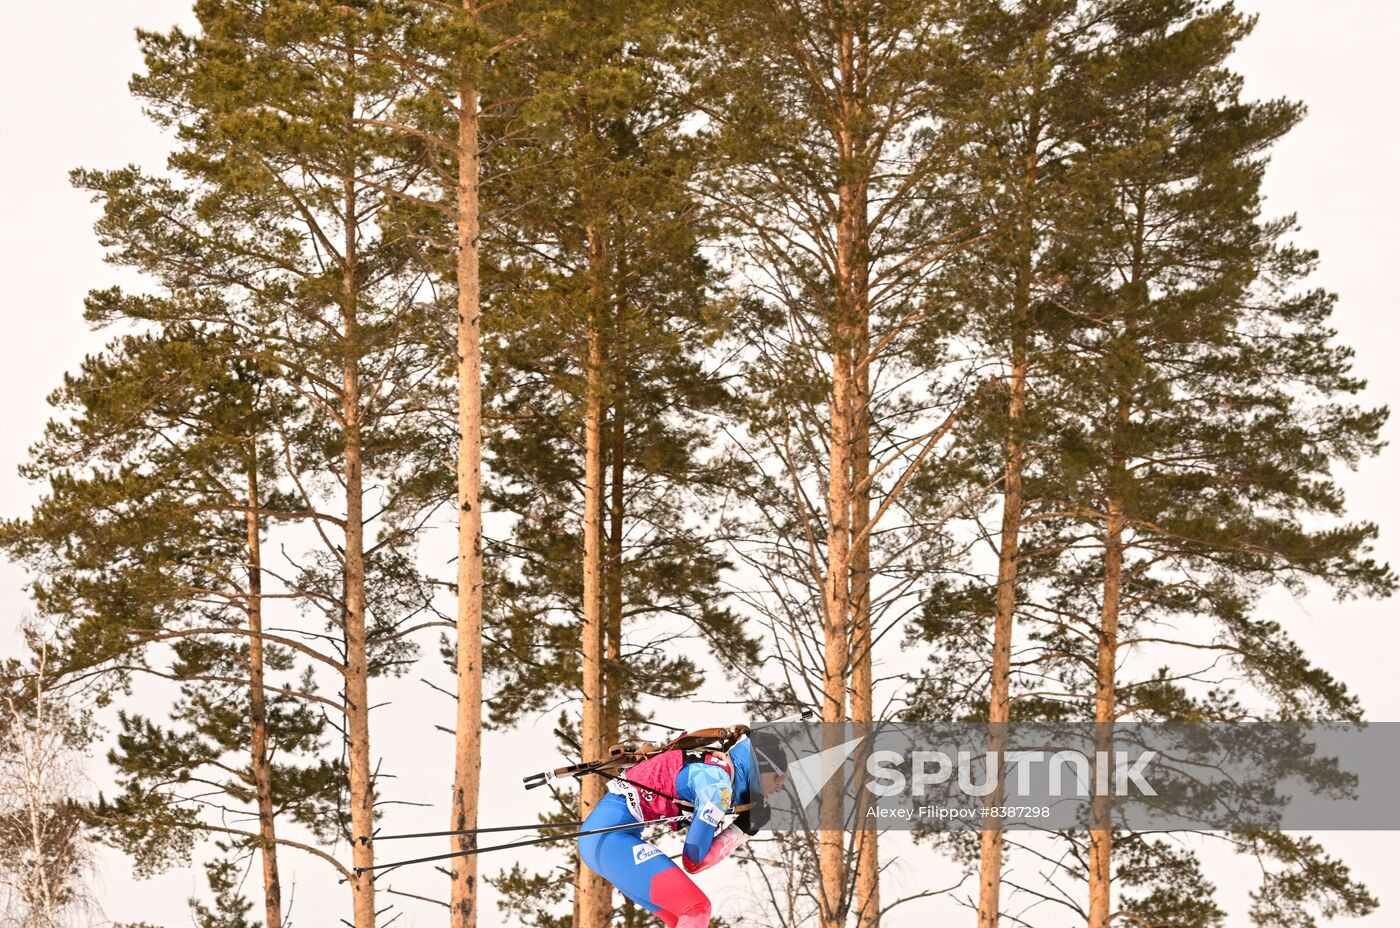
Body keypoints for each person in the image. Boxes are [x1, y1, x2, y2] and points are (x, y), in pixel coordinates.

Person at [577, 731, 788, 927]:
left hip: (605, 841)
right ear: (758, 766)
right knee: (697, 909)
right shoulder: (717, 786)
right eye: (778, 777)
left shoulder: (718, 772)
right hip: (610, 840)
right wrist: (741, 830)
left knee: (681, 918)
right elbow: (693, 861)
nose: (779, 787)